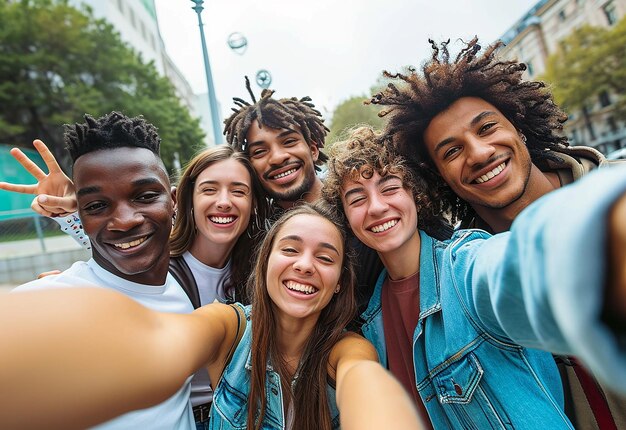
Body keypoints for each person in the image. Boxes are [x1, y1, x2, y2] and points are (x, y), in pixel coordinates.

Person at [368, 37, 626, 428]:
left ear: (518, 127)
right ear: (440, 178)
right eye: (451, 151)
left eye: (486, 128)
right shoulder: (461, 277)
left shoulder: (615, 193)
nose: (479, 153)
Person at [0, 203, 424, 430]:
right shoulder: (227, 326)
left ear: (337, 284)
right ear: (266, 264)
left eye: (325, 257)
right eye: (290, 250)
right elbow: (157, 348)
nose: (305, 265)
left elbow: (368, 388)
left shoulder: (348, 348)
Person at [322, 126, 626, 428]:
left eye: (389, 188)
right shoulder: (369, 318)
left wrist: (603, 236)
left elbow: (514, 271)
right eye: (357, 199)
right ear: (346, 217)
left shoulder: (464, 263)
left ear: (415, 195)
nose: (376, 207)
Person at [0, 142, 270, 428]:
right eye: (209, 189)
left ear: (253, 204)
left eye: (238, 191)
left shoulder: (261, 269)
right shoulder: (157, 267)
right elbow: (116, 253)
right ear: (185, 200)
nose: (224, 201)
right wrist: (75, 209)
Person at [6, 111, 195, 429]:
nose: (124, 220)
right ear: (80, 213)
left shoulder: (185, 287)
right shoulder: (51, 301)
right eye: (96, 206)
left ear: (173, 200)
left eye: (145, 196)